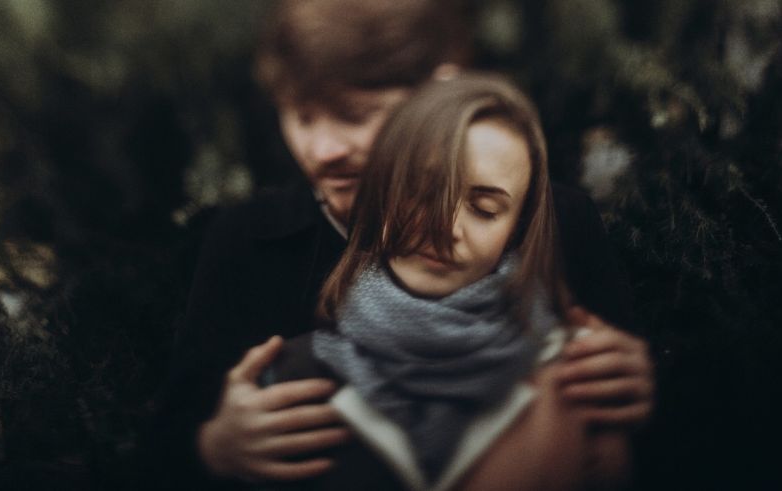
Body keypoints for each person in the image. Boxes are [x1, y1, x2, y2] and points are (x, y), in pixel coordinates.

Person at [151, 0, 653, 487]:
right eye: (302, 116)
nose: (322, 150)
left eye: (355, 114)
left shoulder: (555, 220)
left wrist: (634, 390)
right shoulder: (246, 241)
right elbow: (164, 447)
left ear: (442, 88)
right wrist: (213, 446)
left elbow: (648, 445)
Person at [258, 74, 631, 491]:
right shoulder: (289, 387)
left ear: (516, 231)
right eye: (424, 191)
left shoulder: (576, 383)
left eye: (485, 208)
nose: (445, 227)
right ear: (382, 191)